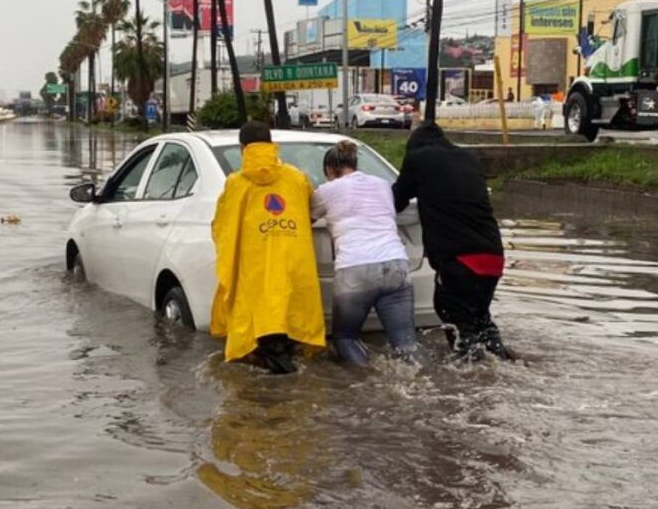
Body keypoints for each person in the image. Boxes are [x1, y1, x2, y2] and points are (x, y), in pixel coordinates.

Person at [211, 121, 326, 373]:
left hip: (255, 275)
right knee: (290, 338)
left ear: (243, 148)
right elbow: (312, 208)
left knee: (259, 342)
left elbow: (222, 226)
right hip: (293, 271)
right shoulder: (297, 178)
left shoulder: (236, 183)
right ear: (272, 145)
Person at [392, 123, 510, 361]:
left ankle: (467, 373)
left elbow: (395, 200)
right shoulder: (469, 158)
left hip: (459, 260)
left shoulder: (418, 159)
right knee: (480, 318)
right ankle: (501, 360)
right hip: (493, 258)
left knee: (454, 317)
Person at [311, 141, 416, 366]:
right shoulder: (383, 185)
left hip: (355, 268)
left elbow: (302, 216)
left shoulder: (326, 191)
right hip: (396, 265)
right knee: (406, 346)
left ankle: (365, 383)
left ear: (329, 170)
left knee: (346, 338)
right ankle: (419, 384)